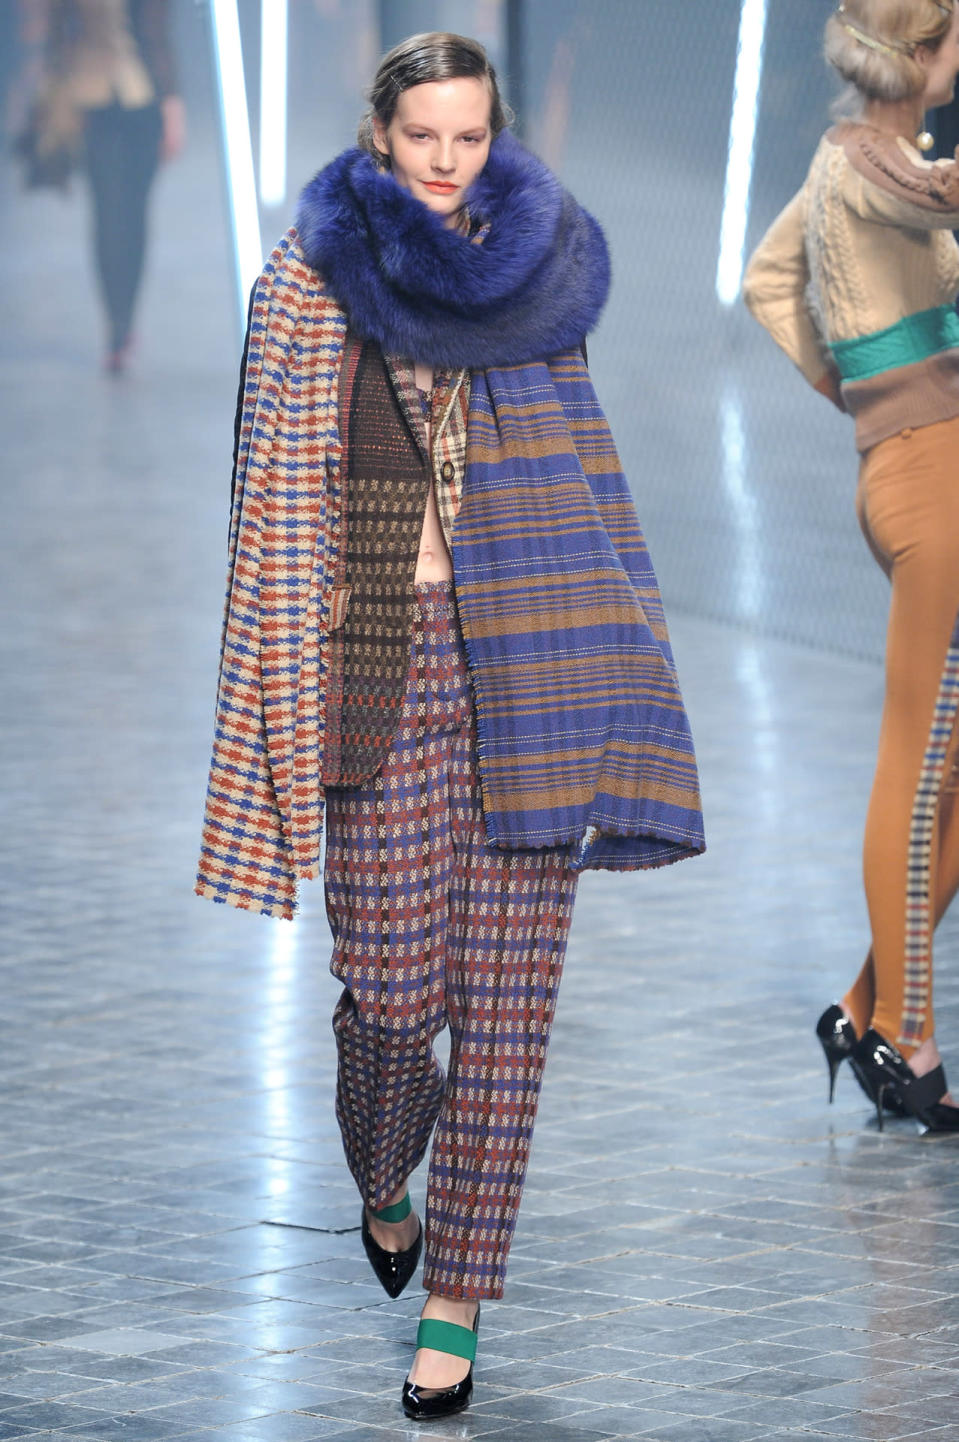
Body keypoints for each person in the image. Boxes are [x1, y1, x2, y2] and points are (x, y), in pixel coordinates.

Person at [196, 32, 703, 1420]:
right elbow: (263, 509)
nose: (441, 160)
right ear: (377, 133)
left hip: (521, 667)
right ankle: (380, 1179)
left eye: (466, 137)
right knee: (394, 998)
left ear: (494, 136)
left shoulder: (536, 281)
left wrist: (630, 659)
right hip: (373, 657)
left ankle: (456, 1306)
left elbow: (580, 484)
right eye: (420, 134)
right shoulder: (305, 285)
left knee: (507, 1016)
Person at [744, 0, 959, 1133]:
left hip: (911, 462)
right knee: (916, 754)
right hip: (933, 476)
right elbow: (925, 200)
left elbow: (764, 281)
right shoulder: (888, 169)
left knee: (941, 757)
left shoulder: (852, 159)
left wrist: (852, 391)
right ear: (918, 54)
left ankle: (860, 1004)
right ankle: (906, 1036)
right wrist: (885, 400)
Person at [29, 0, 185, 370]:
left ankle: (123, 323)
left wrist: (172, 105)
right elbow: (58, 32)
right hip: (101, 101)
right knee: (113, 217)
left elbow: (157, 34)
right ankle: (118, 326)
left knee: (127, 216)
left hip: (134, 99)